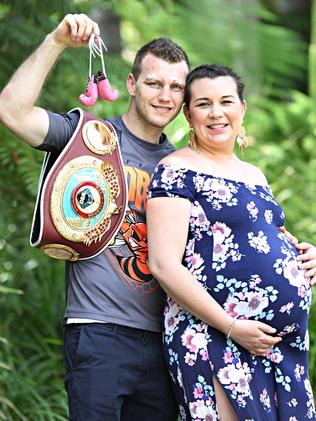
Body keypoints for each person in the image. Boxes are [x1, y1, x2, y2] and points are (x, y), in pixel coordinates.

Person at [0, 14, 315, 421]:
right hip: (101, 330)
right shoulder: (92, 140)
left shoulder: (189, 167)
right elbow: (12, 111)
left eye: (175, 87)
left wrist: (298, 253)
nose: (164, 95)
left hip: (169, 338)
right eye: (153, 83)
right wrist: (57, 41)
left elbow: (249, 235)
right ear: (132, 84)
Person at [146, 64, 316, 420]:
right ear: (188, 114)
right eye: (203, 104)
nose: (216, 112)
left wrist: (304, 255)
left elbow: (265, 237)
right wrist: (233, 327)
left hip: (279, 347)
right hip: (214, 335)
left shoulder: (255, 175)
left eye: (226, 101)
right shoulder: (176, 170)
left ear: (242, 108)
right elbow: (163, 264)